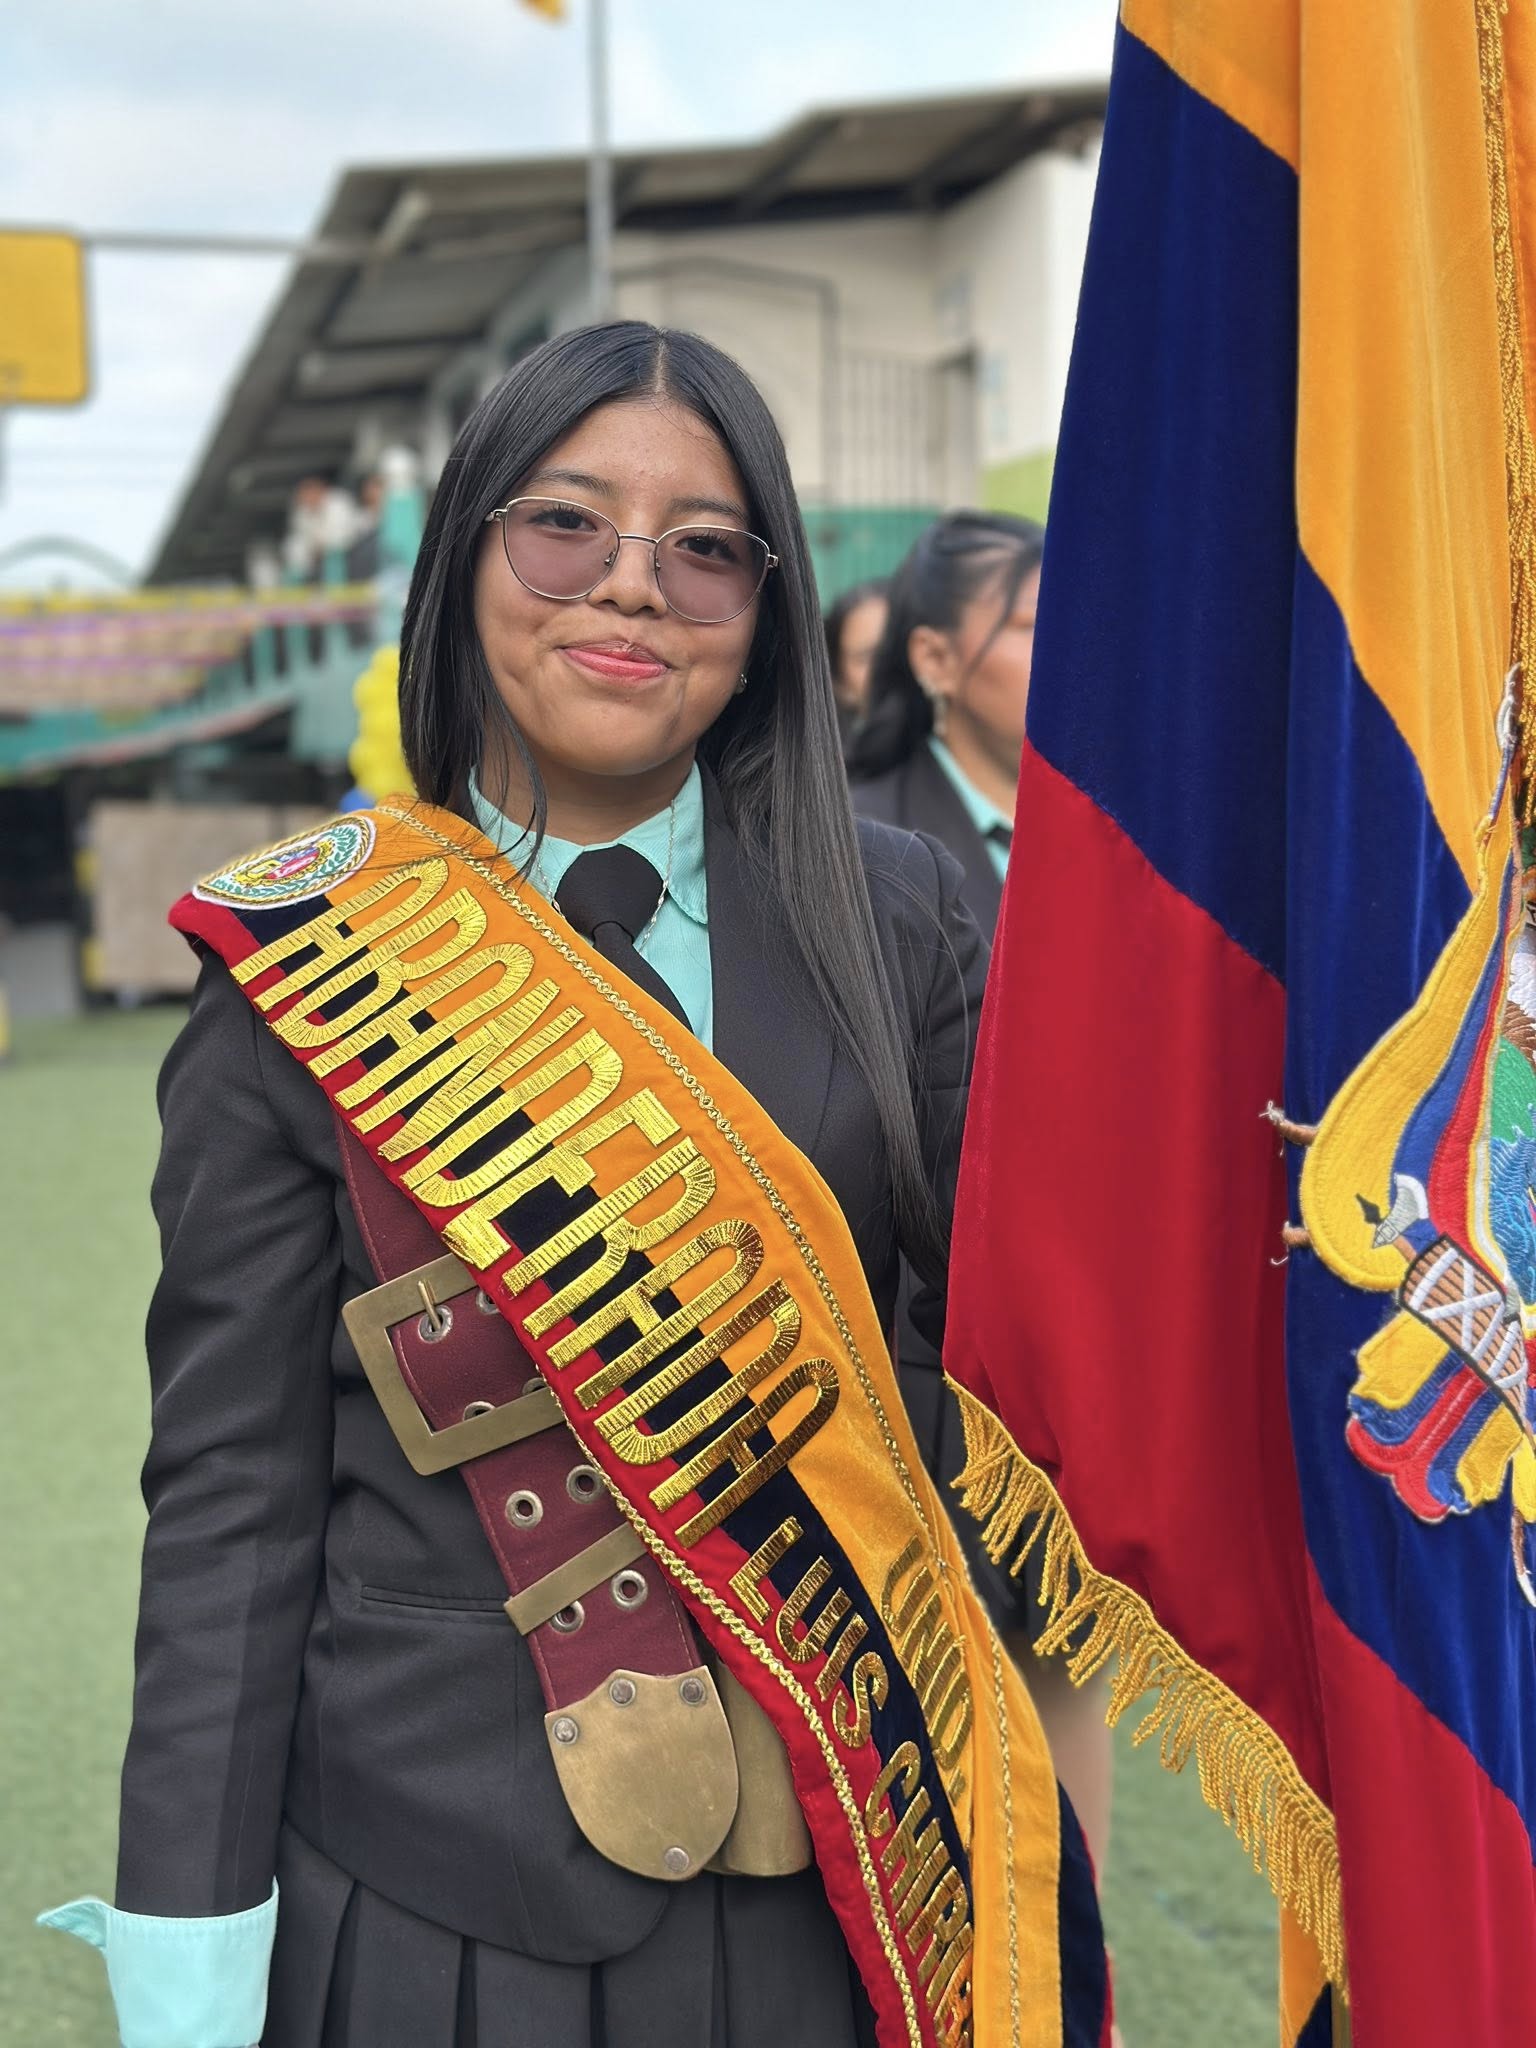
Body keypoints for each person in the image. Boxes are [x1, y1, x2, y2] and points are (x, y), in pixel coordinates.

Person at [41, 325, 1035, 2048]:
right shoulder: (308, 954)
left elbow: (983, 1384)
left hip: (839, 1879)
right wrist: (191, 1957)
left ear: (766, 608)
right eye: (566, 524)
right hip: (432, 1899)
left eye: (705, 546)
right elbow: (234, 1500)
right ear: (463, 556)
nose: (633, 584)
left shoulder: (905, 914)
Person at [848, 511, 1115, 1878]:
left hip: (1087, 1338)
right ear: (938, 661)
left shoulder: (1120, 827)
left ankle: (1079, 1970)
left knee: (1072, 1668)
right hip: (911, 1342)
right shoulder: (853, 837)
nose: (1068, 652)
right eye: (1027, 624)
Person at [821, 577, 888, 743]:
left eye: (894, 646)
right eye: (866, 657)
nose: (885, 665)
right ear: (840, 682)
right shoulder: (838, 756)